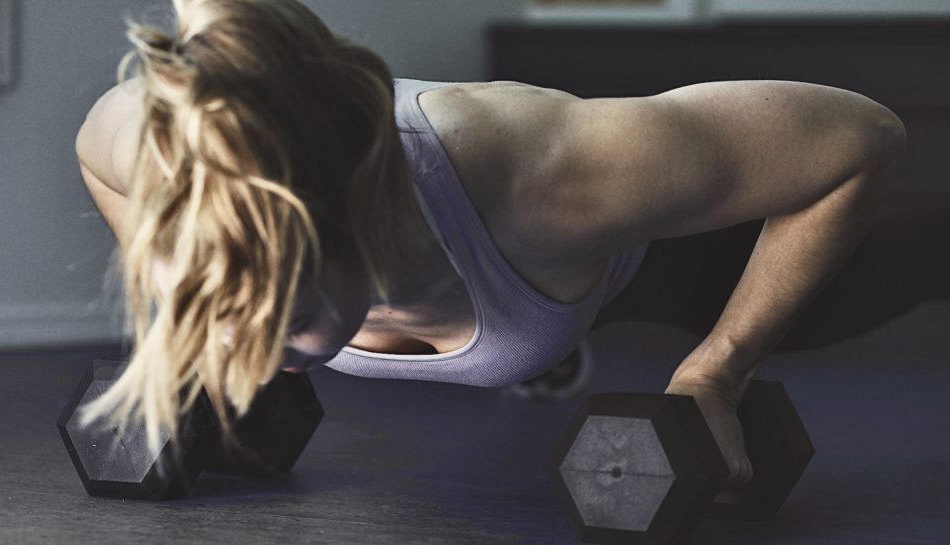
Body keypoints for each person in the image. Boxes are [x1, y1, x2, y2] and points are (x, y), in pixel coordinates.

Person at [74, 0, 917, 501]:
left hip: (652, 270)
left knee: (890, 268)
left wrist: (716, 372)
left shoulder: (555, 175)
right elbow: (92, 147)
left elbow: (862, 138)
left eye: (275, 317)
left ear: (358, 228)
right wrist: (187, 318)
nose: (237, 349)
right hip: (520, 293)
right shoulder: (157, 152)